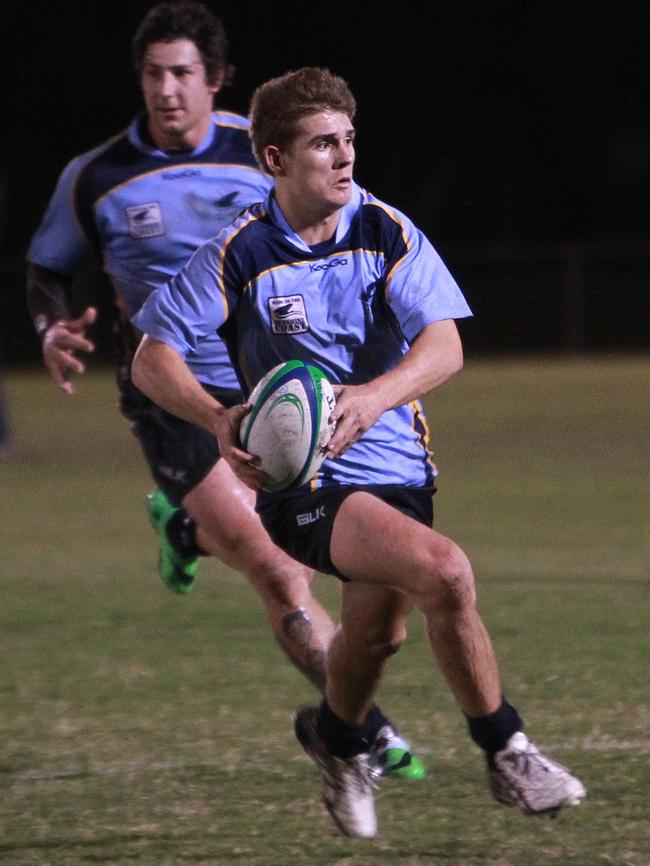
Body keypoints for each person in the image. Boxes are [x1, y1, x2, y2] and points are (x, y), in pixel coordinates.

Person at [131, 66, 587, 838]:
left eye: (348, 139)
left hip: (399, 468)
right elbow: (152, 358)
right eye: (322, 144)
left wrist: (375, 397)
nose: (344, 158)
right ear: (275, 160)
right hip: (303, 481)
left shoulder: (385, 229)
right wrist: (219, 419)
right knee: (445, 571)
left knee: (378, 637)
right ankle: (506, 748)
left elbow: (444, 345)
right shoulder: (239, 251)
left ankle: (339, 742)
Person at [25, 2, 423, 780]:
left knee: (292, 560)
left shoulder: (269, 150)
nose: (167, 90)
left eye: (182, 74)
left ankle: (188, 532)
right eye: (153, 74)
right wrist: (50, 329)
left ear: (215, 80)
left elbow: (353, 227)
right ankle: (362, 730)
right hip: (168, 389)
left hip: (273, 383)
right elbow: (45, 266)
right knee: (277, 568)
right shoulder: (99, 175)